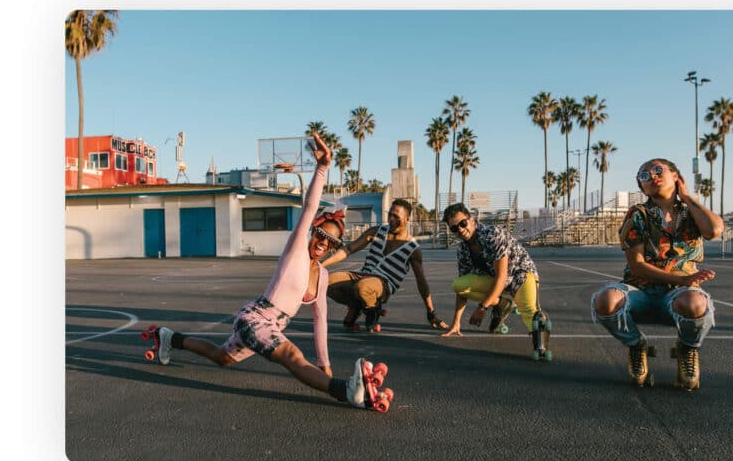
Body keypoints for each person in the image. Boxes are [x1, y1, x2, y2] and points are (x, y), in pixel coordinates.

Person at [147, 132, 391, 411]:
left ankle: (169, 337)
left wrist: (327, 370)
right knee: (291, 354)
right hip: (255, 318)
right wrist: (322, 168)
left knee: (222, 357)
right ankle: (346, 392)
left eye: (333, 241)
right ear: (312, 232)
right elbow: (310, 207)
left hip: (271, 326)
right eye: (321, 235)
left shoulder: (322, 276)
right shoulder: (296, 250)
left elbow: (320, 323)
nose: (324, 243)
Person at [591, 158, 724, 390]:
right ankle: (636, 345)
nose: (651, 176)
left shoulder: (691, 213)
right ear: (642, 187)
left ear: (676, 176)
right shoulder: (638, 215)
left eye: (658, 170)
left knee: (695, 302)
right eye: (644, 175)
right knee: (606, 300)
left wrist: (688, 198)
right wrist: (682, 279)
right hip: (641, 291)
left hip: (679, 295)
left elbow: (713, 230)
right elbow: (637, 266)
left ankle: (687, 348)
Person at [440, 203, 552, 360]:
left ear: (471, 220)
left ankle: (540, 345)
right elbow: (463, 288)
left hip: (519, 275)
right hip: (495, 280)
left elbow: (502, 276)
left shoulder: (493, 234)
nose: (460, 229)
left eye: (462, 223)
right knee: (459, 285)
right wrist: (456, 322)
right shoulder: (463, 250)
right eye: (454, 228)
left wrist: (483, 307)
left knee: (531, 315)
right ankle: (501, 304)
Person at [321, 198, 449, 333]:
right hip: (362, 274)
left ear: (407, 219)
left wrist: (431, 312)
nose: (391, 219)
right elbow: (349, 249)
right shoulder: (376, 232)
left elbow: (421, 282)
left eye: (396, 216)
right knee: (325, 281)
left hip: (383, 283)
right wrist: (321, 264)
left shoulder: (412, 249)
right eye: (390, 215)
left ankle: (373, 309)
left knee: (363, 287)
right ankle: (358, 306)